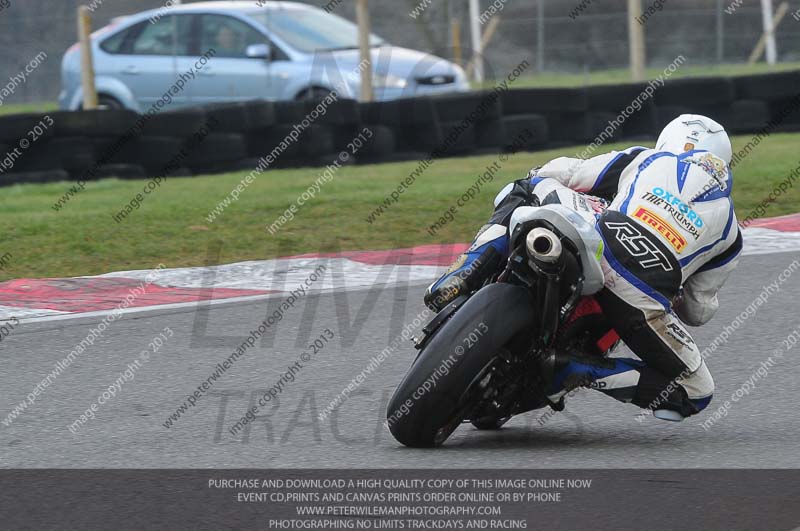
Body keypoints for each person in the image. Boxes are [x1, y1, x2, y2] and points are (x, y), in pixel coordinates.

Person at [424, 114, 742, 421]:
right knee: (696, 391)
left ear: (667, 141)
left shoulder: (647, 159)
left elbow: (568, 172)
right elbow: (699, 311)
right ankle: (576, 369)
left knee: (526, 187)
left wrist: (543, 176)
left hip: (597, 248)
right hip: (639, 301)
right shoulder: (731, 231)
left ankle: (466, 270)